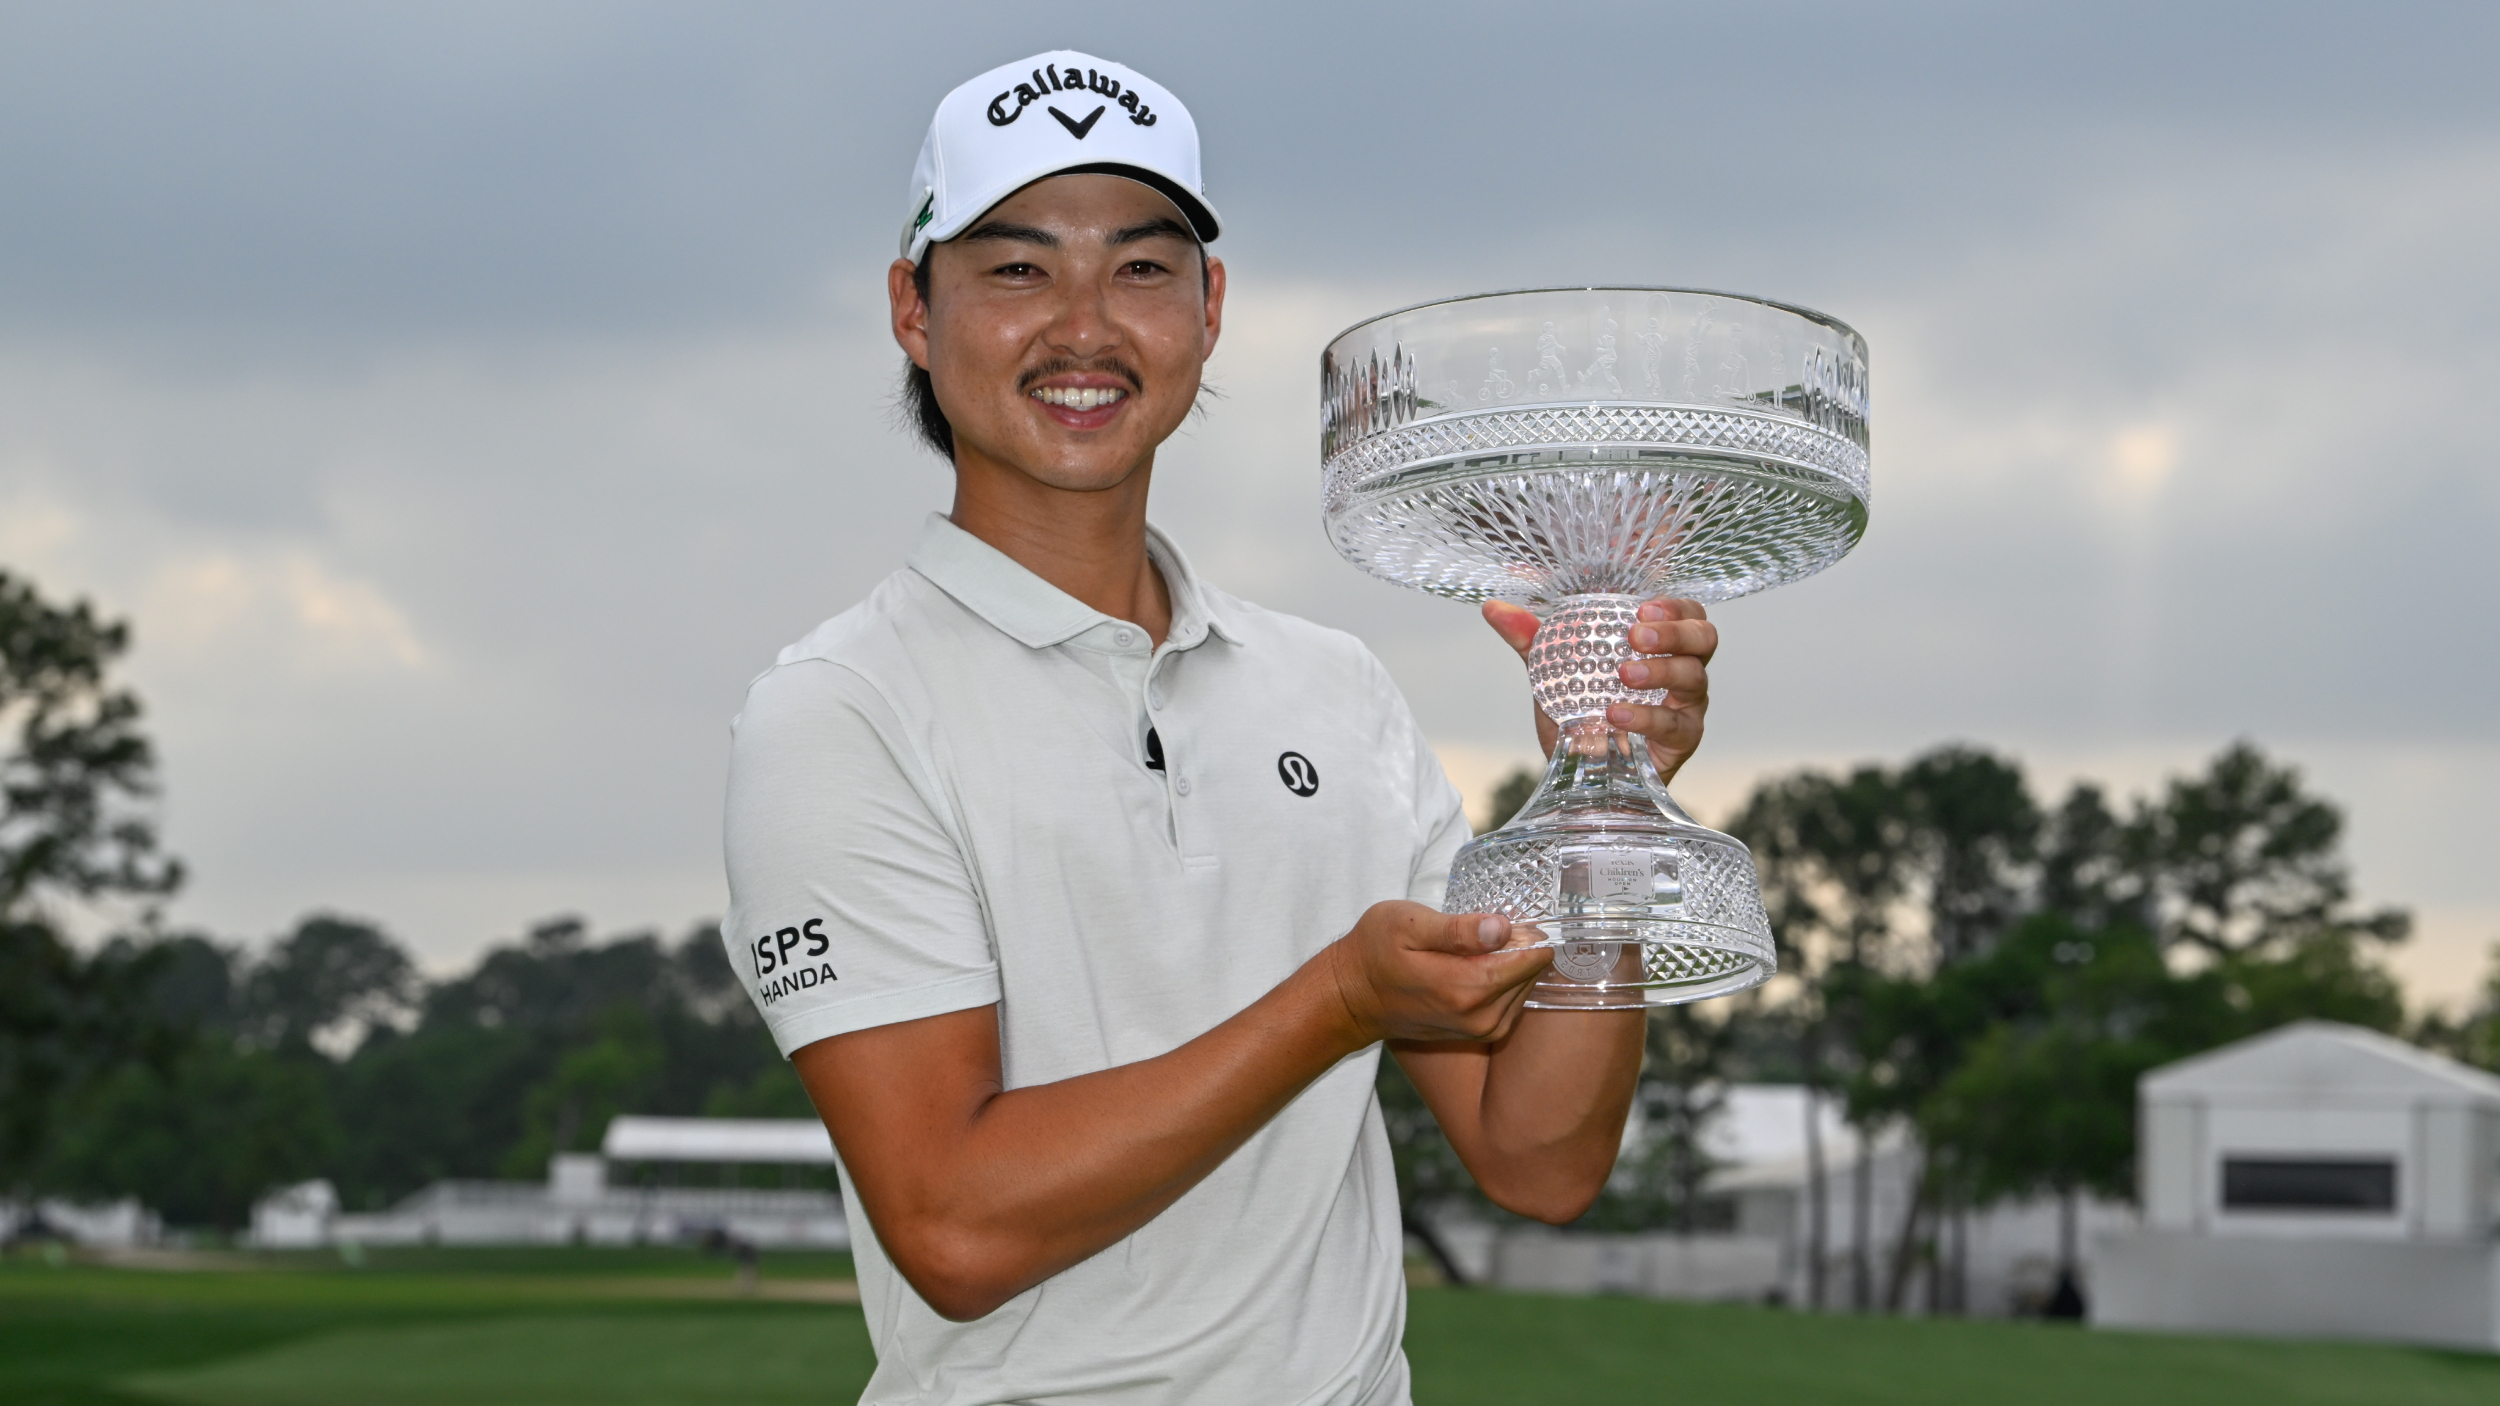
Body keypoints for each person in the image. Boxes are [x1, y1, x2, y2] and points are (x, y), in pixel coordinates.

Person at [721, 49, 1720, 1406]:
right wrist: (1335, 1001)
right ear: (913, 306)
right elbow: (954, 1224)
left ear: (1211, 308)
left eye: (1141, 267)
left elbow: (1537, 1155)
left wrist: (1603, 795)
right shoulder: (838, 711)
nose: (1085, 325)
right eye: (1017, 269)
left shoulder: (1333, 685)